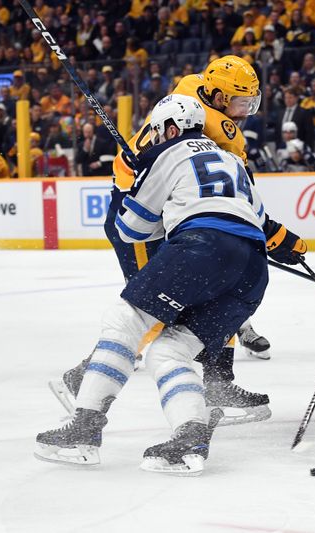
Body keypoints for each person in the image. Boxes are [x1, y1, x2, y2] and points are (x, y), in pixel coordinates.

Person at [35, 95, 306, 475]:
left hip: (201, 247)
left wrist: (139, 185)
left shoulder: (169, 154)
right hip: (252, 270)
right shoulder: (233, 160)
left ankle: (84, 429)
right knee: (168, 352)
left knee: (125, 320)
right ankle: (189, 438)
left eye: (159, 133)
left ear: (173, 128)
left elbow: (130, 230)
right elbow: (257, 220)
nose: (156, 139)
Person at [52, 56, 280, 428]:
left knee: (203, 299)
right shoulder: (223, 131)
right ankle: (81, 381)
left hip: (161, 213)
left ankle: (219, 384)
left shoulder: (189, 87)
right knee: (150, 312)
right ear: (220, 98)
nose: (246, 112)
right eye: (241, 103)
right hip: (139, 212)